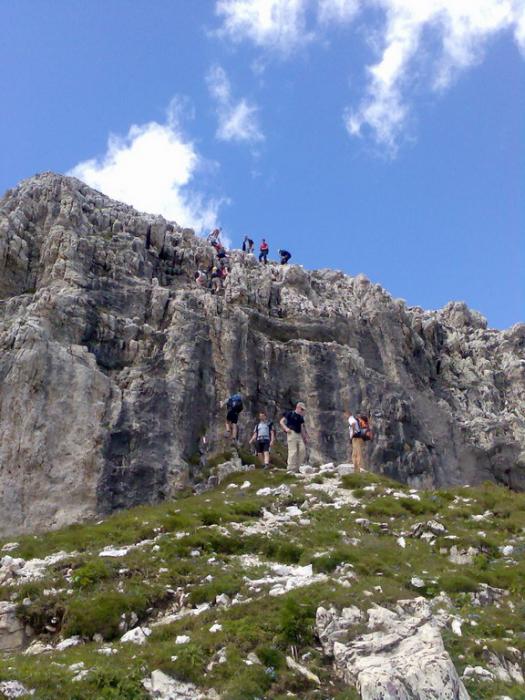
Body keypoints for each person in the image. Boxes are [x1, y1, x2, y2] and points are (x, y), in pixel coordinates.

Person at [280, 402, 309, 472]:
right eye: (301, 409)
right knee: (293, 451)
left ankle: (297, 467)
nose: (302, 411)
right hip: (291, 433)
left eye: (303, 410)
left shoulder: (300, 417)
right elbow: (281, 421)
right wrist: (286, 429)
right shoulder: (290, 413)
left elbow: (302, 428)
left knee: (302, 450)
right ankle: (290, 468)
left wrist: (305, 437)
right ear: (298, 407)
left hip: (299, 435)